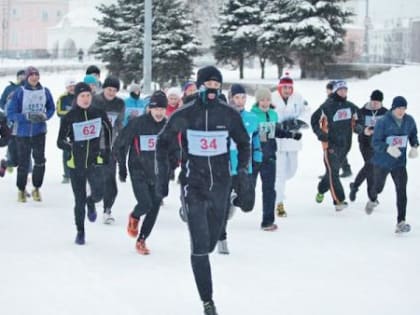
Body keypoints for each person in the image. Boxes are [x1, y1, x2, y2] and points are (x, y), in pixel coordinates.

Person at [156, 66, 251, 315]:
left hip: (220, 184)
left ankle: (197, 215)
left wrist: (241, 172)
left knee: (211, 242)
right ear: (199, 85)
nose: (212, 87)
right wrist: (163, 177)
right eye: (207, 82)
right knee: (199, 247)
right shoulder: (185, 114)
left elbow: (243, 143)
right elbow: (162, 143)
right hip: (193, 184)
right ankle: (207, 302)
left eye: (216, 83)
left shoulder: (228, 114)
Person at [114, 91, 175, 254]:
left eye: (163, 109)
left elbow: (175, 149)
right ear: (150, 108)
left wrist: (172, 168)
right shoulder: (138, 123)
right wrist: (122, 167)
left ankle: (142, 240)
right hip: (138, 170)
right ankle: (134, 216)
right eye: (156, 108)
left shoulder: (168, 126)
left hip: (158, 173)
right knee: (145, 204)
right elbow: (120, 144)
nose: (159, 112)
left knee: (154, 208)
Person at [57, 82, 112, 244]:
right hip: (76, 163)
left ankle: (91, 202)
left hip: (95, 160)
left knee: (99, 194)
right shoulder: (70, 116)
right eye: (82, 96)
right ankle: (80, 231)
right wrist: (72, 146)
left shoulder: (98, 113)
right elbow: (59, 141)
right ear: (77, 98)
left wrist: (106, 150)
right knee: (78, 200)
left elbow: (108, 131)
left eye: (88, 95)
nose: (86, 99)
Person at [217, 83, 262, 254]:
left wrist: (257, 158)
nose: (240, 101)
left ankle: (233, 200)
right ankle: (222, 239)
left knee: (248, 204)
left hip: (245, 167)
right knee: (222, 209)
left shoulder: (252, 118)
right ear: (230, 99)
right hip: (225, 168)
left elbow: (256, 139)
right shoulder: (222, 117)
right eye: (237, 97)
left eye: (243, 97)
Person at [365, 96, 418, 233]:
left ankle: (401, 222)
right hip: (382, 162)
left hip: (399, 163)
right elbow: (375, 142)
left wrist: (415, 146)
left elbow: (413, 134)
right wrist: (388, 148)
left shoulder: (409, 120)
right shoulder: (383, 122)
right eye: (399, 108)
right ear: (393, 108)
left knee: (402, 191)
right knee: (378, 187)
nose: (401, 111)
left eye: (404, 108)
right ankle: (372, 198)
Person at [251, 87, 301, 230]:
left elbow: (276, 131)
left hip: (270, 157)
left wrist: (291, 135)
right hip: (255, 158)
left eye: (267, 100)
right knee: (249, 190)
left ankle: (267, 221)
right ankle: (239, 200)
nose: (265, 103)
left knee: (269, 190)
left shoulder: (273, 114)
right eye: (262, 100)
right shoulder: (252, 115)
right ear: (258, 101)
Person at [7, 66, 55, 202]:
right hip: (22, 133)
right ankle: (21, 190)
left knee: (40, 161)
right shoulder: (19, 92)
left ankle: (37, 188)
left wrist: (45, 116)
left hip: (39, 132)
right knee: (23, 162)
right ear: (27, 77)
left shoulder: (45, 91)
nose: (34, 77)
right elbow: (11, 113)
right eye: (31, 75)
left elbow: (51, 108)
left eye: (36, 75)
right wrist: (26, 117)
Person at [311, 80, 358, 211]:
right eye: (340, 90)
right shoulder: (327, 106)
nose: (343, 92)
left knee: (332, 172)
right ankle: (339, 200)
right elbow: (314, 120)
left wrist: (358, 127)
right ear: (336, 91)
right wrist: (320, 133)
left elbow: (359, 118)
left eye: (345, 90)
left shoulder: (350, 106)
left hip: (345, 145)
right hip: (330, 145)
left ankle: (321, 190)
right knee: (334, 173)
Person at [271, 73, 310, 217]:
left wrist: (298, 122)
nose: (287, 90)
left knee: (291, 171)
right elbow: (264, 116)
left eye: (289, 87)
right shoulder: (271, 97)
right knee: (279, 174)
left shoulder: (298, 97)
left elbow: (307, 112)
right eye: (284, 87)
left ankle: (278, 186)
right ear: (280, 87)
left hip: (293, 140)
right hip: (277, 141)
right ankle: (278, 202)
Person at [91, 75, 125, 224]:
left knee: (111, 182)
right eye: (109, 89)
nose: (111, 92)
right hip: (94, 146)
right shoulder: (94, 101)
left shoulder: (119, 104)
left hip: (110, 146)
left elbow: (119, 124)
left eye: (114, 90)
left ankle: (107, 210)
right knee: (98, 184)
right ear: (104, 88)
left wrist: (121, 141)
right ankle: (91, 200)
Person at [349, 90, 388, 201]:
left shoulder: (386, 113)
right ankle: (372, 196)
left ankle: (355, 186)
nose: (375, 104)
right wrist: (363, 131)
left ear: (381, 102)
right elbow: (355, 126)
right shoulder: (362, 111)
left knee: (371, 167)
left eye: (377, 102)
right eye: (373, 101)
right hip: (365, 143)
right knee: (370, 166)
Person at [56, 77, 77, 183]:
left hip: (78, 127)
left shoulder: (80, 96)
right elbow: (59, 112)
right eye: (70, 86)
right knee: (66, 150)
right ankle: (67, 175)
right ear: (67, 87)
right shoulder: (62, 98)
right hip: (66, 127)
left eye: (74, 86)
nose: (72, 88)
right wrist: (71, 114)